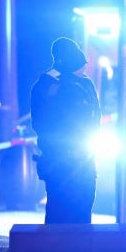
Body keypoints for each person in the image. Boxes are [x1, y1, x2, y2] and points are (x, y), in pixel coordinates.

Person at [30, 37, 101, 224]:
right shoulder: (47, 84)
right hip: (60, 158)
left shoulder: (84, 84)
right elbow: (41, 123)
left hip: (80, 156)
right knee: (60, 207)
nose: (83, 70)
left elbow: (96, 116)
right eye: (79, 65)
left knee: (82, 203)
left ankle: (78, 249)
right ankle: (57, 250)